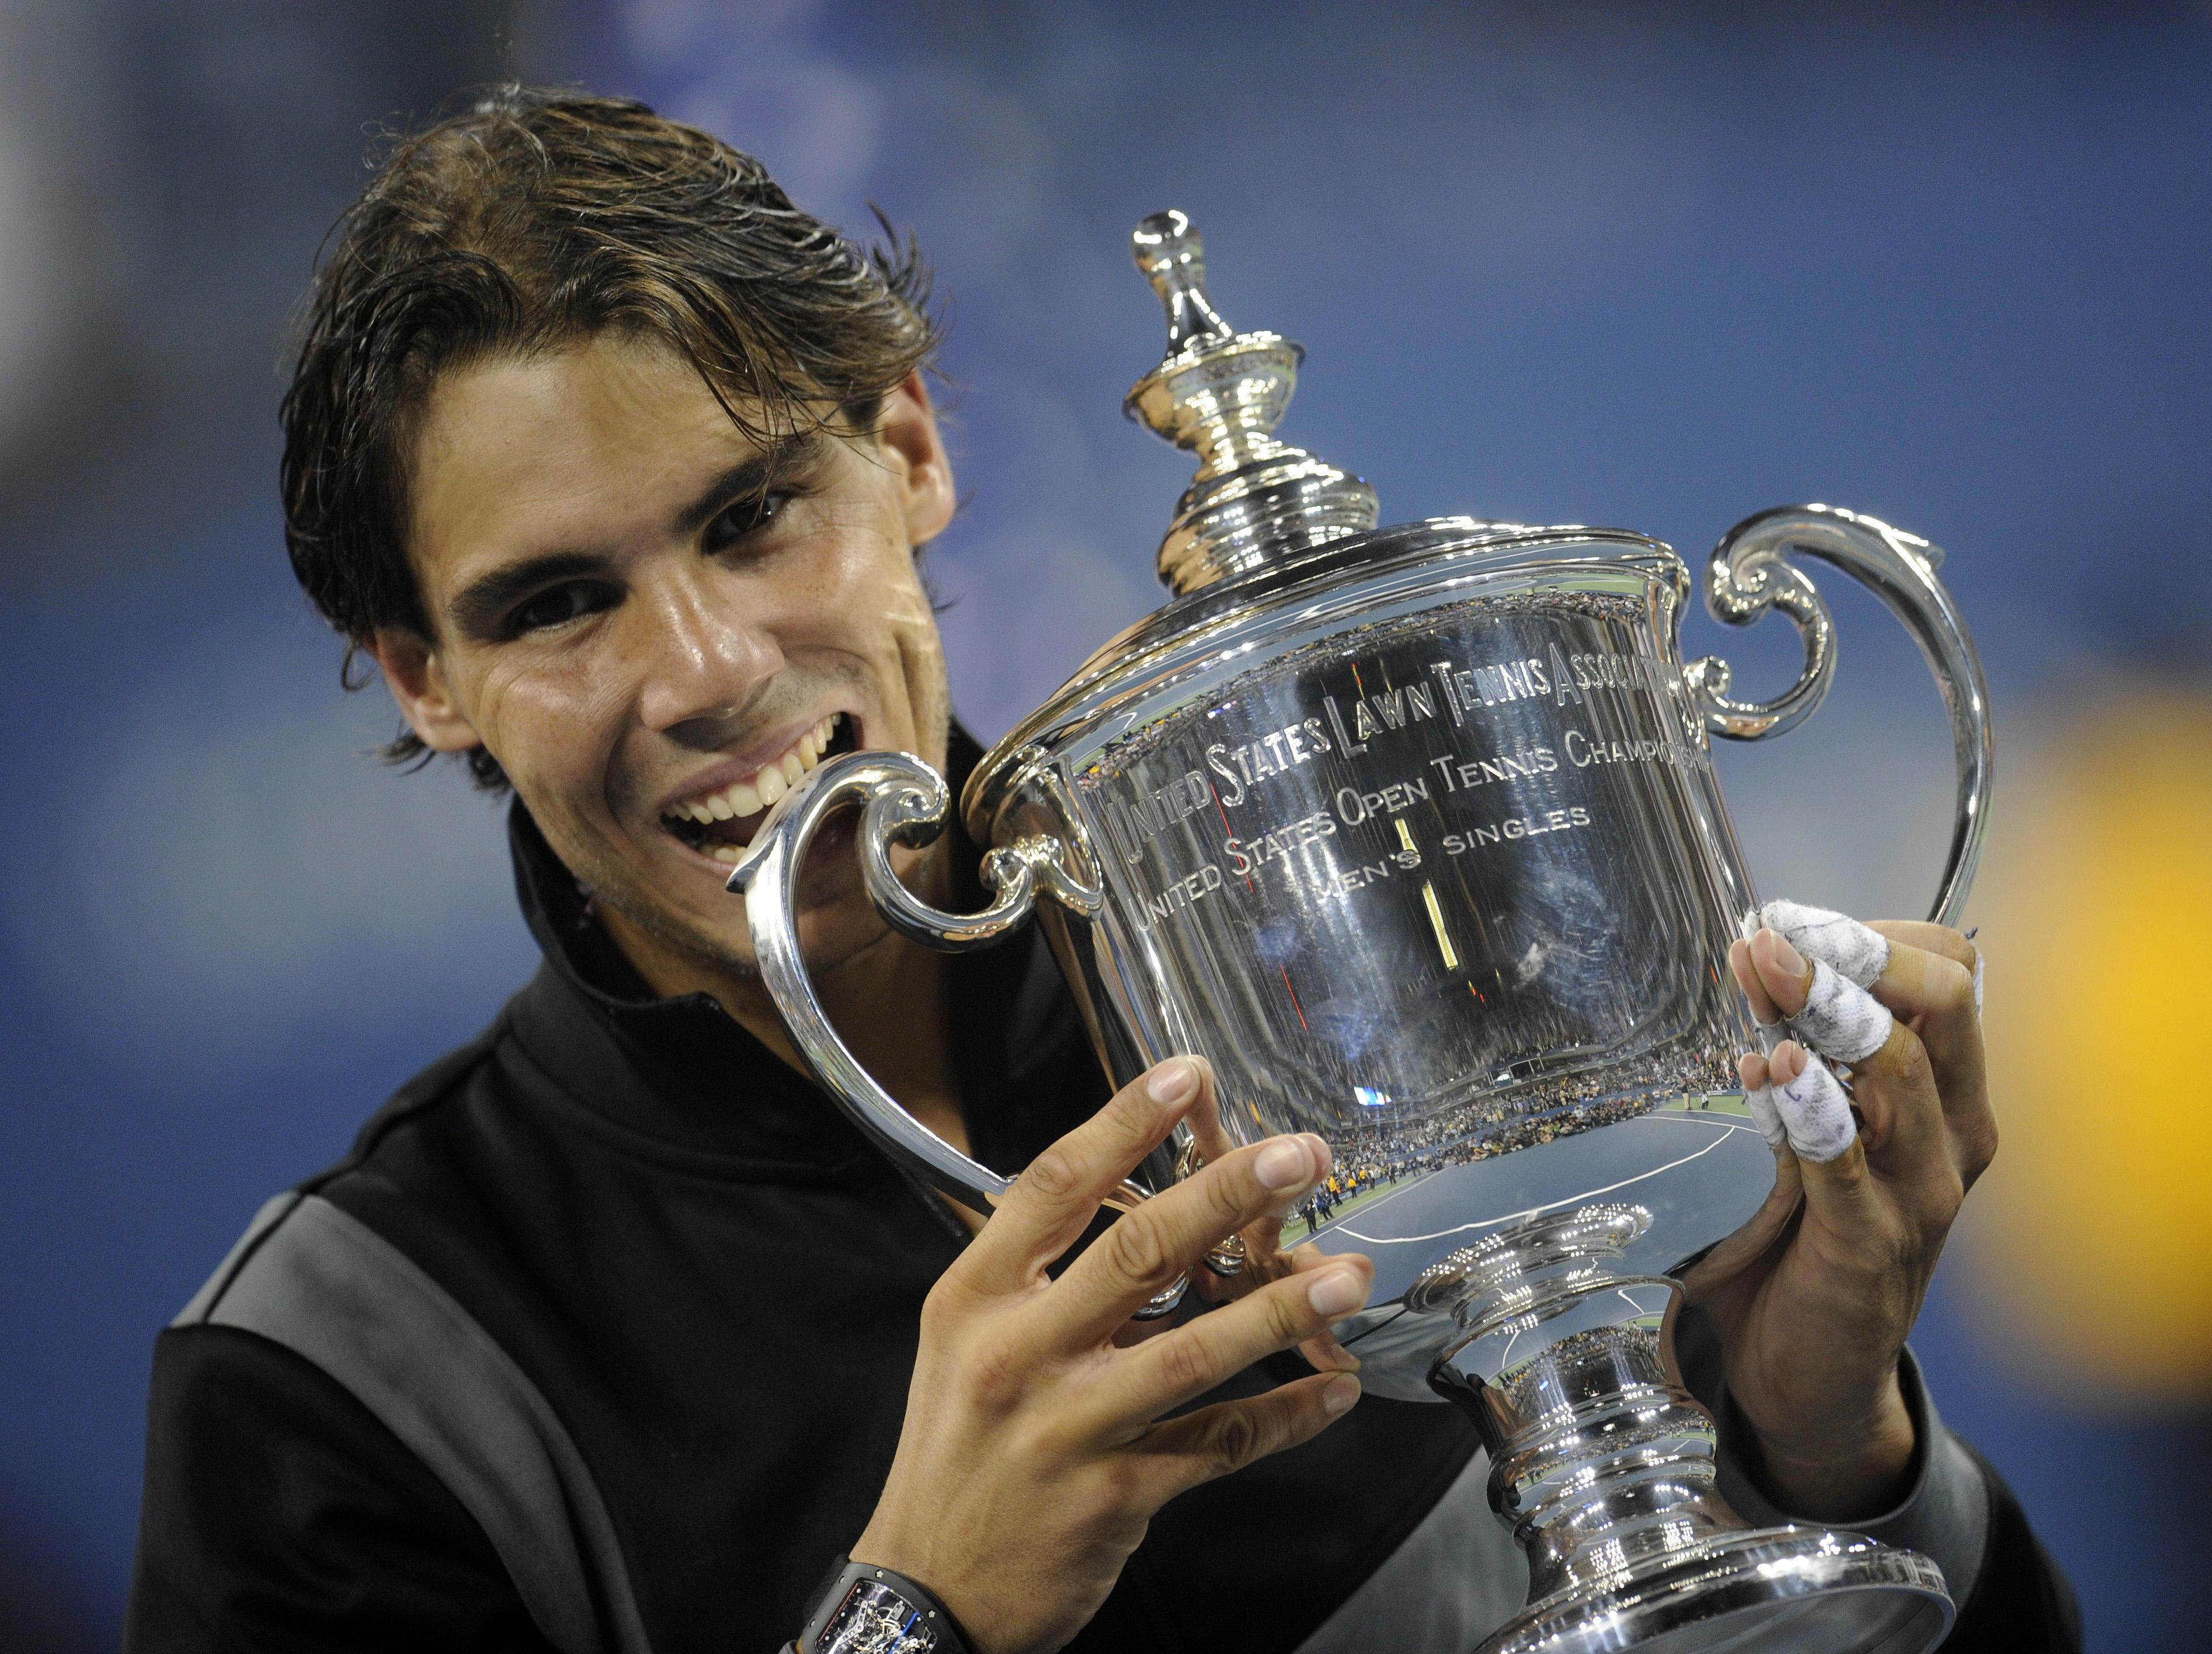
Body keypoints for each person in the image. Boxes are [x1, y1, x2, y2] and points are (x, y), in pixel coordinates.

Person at [123, 88, 2078, 1654]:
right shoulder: (339, 1381)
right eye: (556, 604)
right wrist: (919, 1621)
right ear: (424, 681)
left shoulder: (1401, 971)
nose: (704, 674)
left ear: (910, 450)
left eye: (752, 516)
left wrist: (1837, 1447)